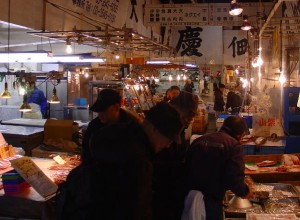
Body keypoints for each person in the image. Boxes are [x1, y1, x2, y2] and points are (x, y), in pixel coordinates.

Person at [59, 101, 183, 220]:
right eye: (169, 139)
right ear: (155, 129)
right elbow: (135, 211)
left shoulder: (114, 134)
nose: (168, 145)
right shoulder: (139, 161)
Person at [183, 115, 255, 220]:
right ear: (240, 134)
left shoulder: (198, 141)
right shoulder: (234, 146)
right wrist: (246, 192)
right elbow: (234, 179)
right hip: (211, 202)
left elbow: (184, 168)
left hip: (188, 199)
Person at [151, 91, 199, 220]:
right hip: (162, 193)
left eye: (193, 115)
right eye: (190, 114)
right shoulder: (164, 125)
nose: (190, 119)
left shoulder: (179, 128)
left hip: (172, 191)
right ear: (178, 108)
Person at [81, 88, 141, 164]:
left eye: (103, 110)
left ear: (116, 107)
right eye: (98, 111)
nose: (100, 114)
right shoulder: (94, 125)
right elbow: (86, 152)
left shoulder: (132, 126)